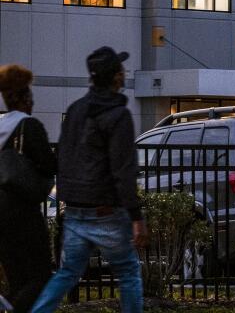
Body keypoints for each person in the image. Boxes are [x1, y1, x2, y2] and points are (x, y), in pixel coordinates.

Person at [32, 47, 147, 313]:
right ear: (116, 77)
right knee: (129, 271)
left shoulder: (75, 110)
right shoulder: (119, 116)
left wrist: (68, 198)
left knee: (67, 273)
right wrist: (136, 217)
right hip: (106, 210)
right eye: (121, 70)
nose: (125, 73)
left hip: (74, 210)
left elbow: (63, 157)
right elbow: (123, 170)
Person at [0, 64, 57, 313]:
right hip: (22, 211)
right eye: (31, 98)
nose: (32, 103)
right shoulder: (29, 126)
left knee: (17, 277)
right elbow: (48, 165)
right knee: (40, 275)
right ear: (24, 99)